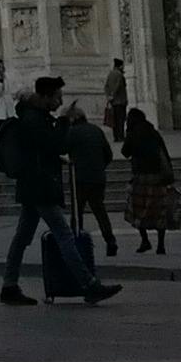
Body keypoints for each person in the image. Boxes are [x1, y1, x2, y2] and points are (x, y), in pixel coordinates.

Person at [0, 75, 114, 304]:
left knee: (22, 237)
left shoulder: (34, 116)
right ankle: (89, 285)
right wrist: (63, 121)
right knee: (64, 234)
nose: (60, 102)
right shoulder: (33, 119)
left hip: (34, 184)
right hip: (40, 185)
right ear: (45, 97)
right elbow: (55, 144)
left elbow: (42, 150)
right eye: (57, 97)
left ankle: (9, 286)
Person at [66, 92, 119, 258]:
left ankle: (77, 241)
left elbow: (61, 148)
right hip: (97, 177)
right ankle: (110, 241)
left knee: (77, 212)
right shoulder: (96, 130)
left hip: (80, 178)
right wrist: (98, 167)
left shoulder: (73, 132)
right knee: (100, 210)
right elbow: (108, 155)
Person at [121, 106, 180, 253]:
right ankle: (161, 244)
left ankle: (145, 240)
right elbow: (164, 153)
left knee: (138, 209)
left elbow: (125, 152)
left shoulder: (133, 134)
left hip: (140, 176)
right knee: (159, 210)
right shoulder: (153, 132)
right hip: (157, 176)